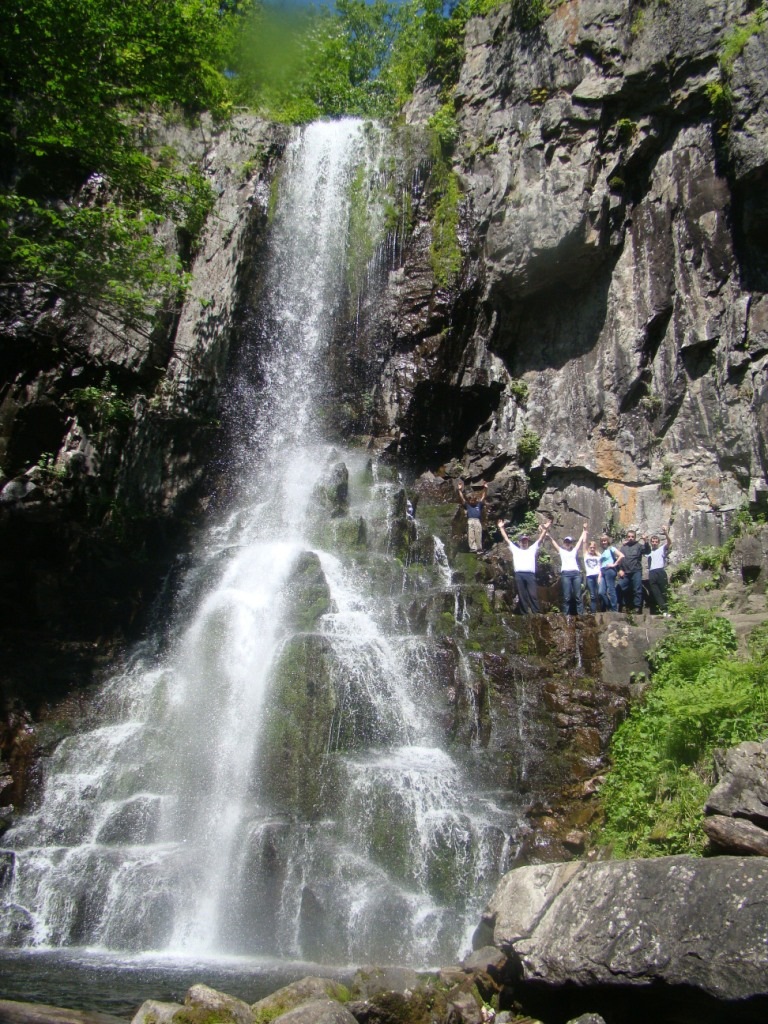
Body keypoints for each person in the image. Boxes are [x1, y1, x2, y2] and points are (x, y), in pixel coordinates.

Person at [497, 519, 551, 614]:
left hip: (530, 575)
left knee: (533, 594)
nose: (524, 542)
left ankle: (536, 612)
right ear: (519, 542)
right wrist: (501, 527)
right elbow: (506, 539)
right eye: (522, 541)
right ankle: (524, 613)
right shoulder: (515, 549)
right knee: (522, 595)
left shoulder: (532, 549)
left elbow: (540, 539)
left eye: (525, 541)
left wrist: (545, 529)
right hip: (519, 574)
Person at [547, 522, 588, 614]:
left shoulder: (574, 551)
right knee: (567, 596)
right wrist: (548, 534)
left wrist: (584, 530)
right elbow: (553, 542)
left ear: (571, 543)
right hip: (566, 574)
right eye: (566, 542)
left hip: (576, 574)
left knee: (578, 595)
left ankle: (581, 615)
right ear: (564, 543)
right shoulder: (561, 551)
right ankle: (566, 616)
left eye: (569, 542)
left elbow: (580, 541)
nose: (567, 543)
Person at [644, 526, 671, 615]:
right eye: (653, 542)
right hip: (652, 572)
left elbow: (669, 542)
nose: (654, 543)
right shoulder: (649, 552)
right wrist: (645, 540)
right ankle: (663, 609)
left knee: (664, 591)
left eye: (656, 542)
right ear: (651, 543)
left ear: (659, 543)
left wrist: (665, 532)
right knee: (655, 592)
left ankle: (668, 609)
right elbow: (644, 549)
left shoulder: (662, 549)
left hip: (660, 571)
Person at [617, 528, 644, 612]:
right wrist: (620, 569)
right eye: (629, 536)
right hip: (625, 571)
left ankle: (637, 607)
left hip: (636, 571)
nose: (630, 538)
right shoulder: (623, 547)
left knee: (637, 589)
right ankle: (623, 605)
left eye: (632, 536)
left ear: (635, 537)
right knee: (620, 587)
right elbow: (620, 559)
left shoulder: (639, 546)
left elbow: (647, 550)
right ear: (627, 537)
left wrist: (646, 541)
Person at [457, 480, 488, 553]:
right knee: (471, 534)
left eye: (473, 500)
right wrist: (459, 490)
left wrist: (485, 488)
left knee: (478, 534)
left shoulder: (479, 504)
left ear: (476, 500)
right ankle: (473, 548)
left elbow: (484, 496)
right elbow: (462, 498)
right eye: (471, 500)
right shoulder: (467, 505)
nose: (472, 501)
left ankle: (479, 549)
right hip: (470, 520)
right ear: (469, 500)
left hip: (477, 520)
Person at [598, 533, 623, 611]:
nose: (603, 542)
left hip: (609, 570)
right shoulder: (603, 552)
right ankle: (609, 606)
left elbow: (621, 555)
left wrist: (614, 564)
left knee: (611, 589)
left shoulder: (611, 548)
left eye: (605, 541)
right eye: (602, 541)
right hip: (603, 571)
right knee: (601, 592)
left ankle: (614, 609)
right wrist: (599, 576)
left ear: (607, 541)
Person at [583, 538, 601, 612]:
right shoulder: (586, 555)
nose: (592, 549)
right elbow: (584, 543)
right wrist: (585, 530)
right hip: (589, 576)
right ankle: (593, 612)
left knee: (599, 593)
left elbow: (601, 567)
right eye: (591, 547)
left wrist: (600, 576)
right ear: (588, 548)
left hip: (597, 576)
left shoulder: (598, 556)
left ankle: (601, 609)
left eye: (594, 547)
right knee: (592, 595)